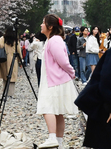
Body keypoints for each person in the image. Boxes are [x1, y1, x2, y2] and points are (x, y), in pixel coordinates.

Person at [36, 14, 78, 149]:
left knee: (46, 106)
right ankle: (58, 142)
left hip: (54, 80)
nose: (41, 25)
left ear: (50, 26)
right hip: (56, 79)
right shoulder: (53, 39)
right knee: (58, 112)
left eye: (43, 23)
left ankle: (52, 137)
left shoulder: (54, 40)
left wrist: (72, 72)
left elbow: (63, 61)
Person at [0, 27, 20, 98]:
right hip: (13, 59)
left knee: (5, 76)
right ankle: (10, 93)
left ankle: (5, 91)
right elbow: (19, 51)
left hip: (4, 59)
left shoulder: (2, 39)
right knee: (12, 77)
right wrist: (20, 60)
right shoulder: (15, 40)